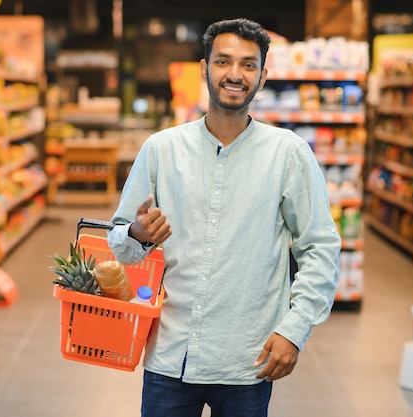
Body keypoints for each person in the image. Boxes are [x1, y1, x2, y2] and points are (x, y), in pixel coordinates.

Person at [107, 17, 341, 417]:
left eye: (248, 65)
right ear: (204, 68)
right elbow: (120, 247)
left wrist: (294, 328)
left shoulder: (288, 154)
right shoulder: (162, 149)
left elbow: (320, 247)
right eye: (223, 62)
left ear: (263, 76)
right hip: (170, 357)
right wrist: (136, 233)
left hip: (248, 360)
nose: (235, 75)